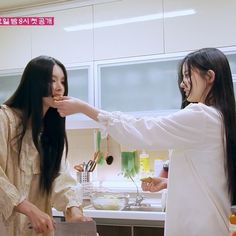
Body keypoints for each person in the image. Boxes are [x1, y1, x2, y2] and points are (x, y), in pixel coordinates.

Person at [54, 47, 236, 236]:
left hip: (198, 227)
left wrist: (84, 108)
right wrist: (167, 182)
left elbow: (143, 129)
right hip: (211, 224)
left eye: (188, 75)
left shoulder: (202, 116)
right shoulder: (220, 118)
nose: (183, 83)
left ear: (210, 77)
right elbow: (207, 175)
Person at [0, 55, 92, 236]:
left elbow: (60, 177)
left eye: (63, 81)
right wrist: (27, 207)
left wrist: (73, 210)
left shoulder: (51, 130)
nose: (59, 88)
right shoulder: (5, 119)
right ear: (34, 84)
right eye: (52, 81)